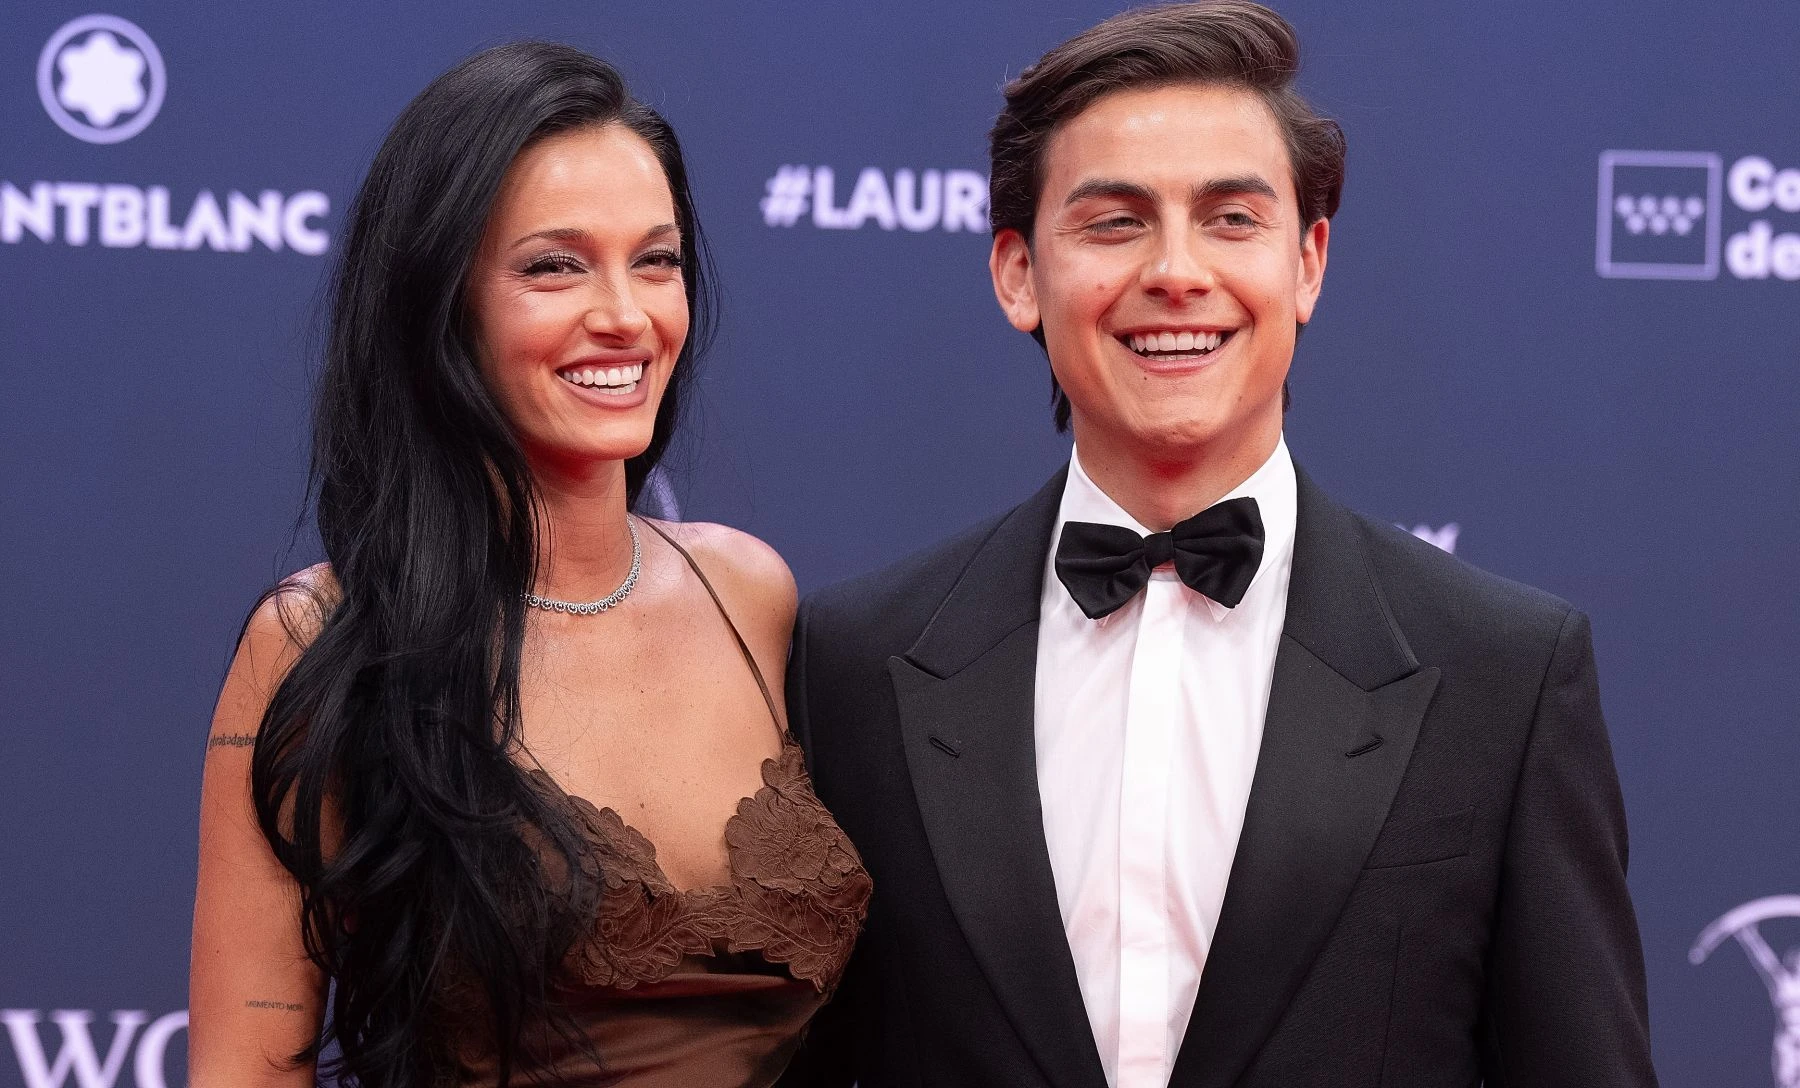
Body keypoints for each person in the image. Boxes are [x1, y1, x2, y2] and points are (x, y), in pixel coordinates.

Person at [781, 3, 1657, 1086]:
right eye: (1115, 223)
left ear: (1308, 263)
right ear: (1018, 274)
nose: (1177, 271)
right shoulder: (856, 665)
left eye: (1231, 219)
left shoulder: (1503, 673)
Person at [188, 42, 869, 1088]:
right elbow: (246, 1069)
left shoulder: (750, 593)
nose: (626, 315)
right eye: (555, 266)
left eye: (657, 260)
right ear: (440, 301)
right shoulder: (319, 640)